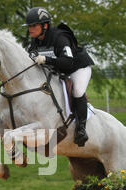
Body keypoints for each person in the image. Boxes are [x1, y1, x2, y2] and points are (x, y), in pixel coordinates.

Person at [24, 7, 95, 147]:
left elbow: (68, 62)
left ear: (45, 25)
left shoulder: (60, 37)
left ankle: (81, 129)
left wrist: (46, 60)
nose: (30, 29)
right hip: (59, 71)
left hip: (77, 68)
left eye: (33, 25)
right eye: (29, 26)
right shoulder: (35, 41)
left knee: (77, 91)